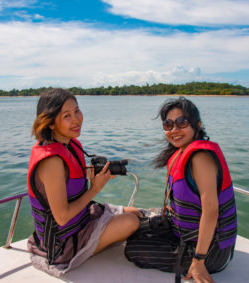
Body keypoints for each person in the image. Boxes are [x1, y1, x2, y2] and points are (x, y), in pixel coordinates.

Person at [26, 88, 140, 276]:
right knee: (131, 222)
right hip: (63, 242)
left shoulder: (68, 143)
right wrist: (94, 189)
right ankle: (86, 250)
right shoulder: (51, 161)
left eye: (77, 111)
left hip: (83, 218)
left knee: (135, 212)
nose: (76, 119)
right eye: (67, 116)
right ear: (51, 123)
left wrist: (94, 174)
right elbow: (62, 217)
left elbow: (71, 178)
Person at [126, 97, 237, 283]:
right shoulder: (181, 152)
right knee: (134, 229)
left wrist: (199, 261)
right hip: (185, 233)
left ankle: (197, 259)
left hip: (211, 251)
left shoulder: (200, 157)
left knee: (133, 250)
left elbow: (211, 212)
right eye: (168, 124)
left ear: (197, 124)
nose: (174, 130)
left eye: (182, 122)